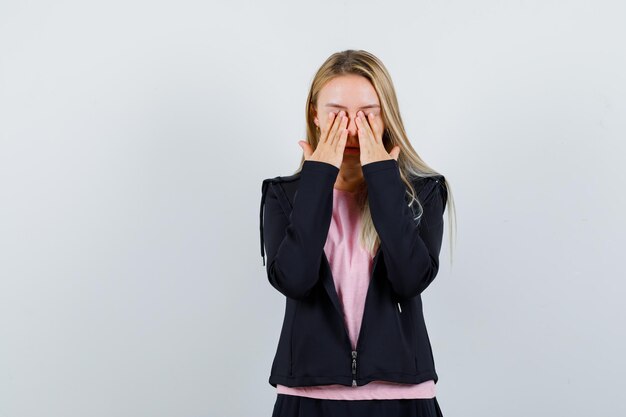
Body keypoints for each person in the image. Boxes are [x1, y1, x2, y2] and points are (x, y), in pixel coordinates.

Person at [259, 49, 456, 417]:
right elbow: (294, 280)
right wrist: (318, 179)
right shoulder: (283, 195)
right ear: (315, 115)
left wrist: (383, 178)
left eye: (367, 114)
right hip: (306, 395)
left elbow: (410, 279)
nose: (351, 128)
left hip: (404, 397)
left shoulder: (424, 192)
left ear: (387, 117)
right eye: (336, 113)